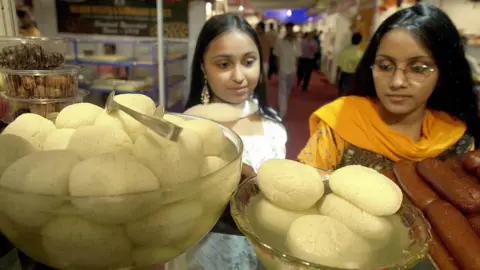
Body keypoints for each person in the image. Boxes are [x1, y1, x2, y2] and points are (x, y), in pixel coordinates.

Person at [298, 3, 480, 175]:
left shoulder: (456, 139)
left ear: (443, 74)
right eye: (385, 66)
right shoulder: (341, 122)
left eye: (418, 68)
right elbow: (303, 192)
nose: (397, 82)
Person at [176, 14, 287, 269]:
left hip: (260, 252)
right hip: (202, 252)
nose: (239, 76)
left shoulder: (272, 125)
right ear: (203, 67)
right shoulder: (186, 127)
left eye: (249, 62)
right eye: (224, 64)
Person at [274, 22, 300, 119]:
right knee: (282, 90)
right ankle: (282, 111)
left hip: (292, 69)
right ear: (286, 29)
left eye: (291, 28)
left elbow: (298, 57)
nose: (289, 30)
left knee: (288, 89)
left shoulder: (297, 41)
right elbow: (277, 55)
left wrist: (296, 68)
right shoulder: (280, 41)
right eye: (288, 28)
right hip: (283, 68)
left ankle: (283, 105)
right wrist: (278, 67)